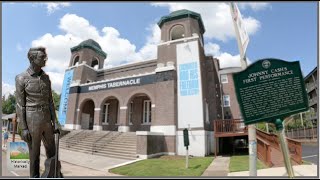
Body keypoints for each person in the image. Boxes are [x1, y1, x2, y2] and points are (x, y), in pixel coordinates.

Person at [15, 47, 60, 178]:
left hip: (46, 118)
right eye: (42, 57)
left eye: (45, 56)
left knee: (52, 151)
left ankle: (54, 174)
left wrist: (55, 122)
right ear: (32, 59)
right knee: (34, 155)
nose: (45, 59)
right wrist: (24, 128)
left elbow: (50, 101)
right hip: (31, 118)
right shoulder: (21, 78)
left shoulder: (46, 78)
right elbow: (19, 105)